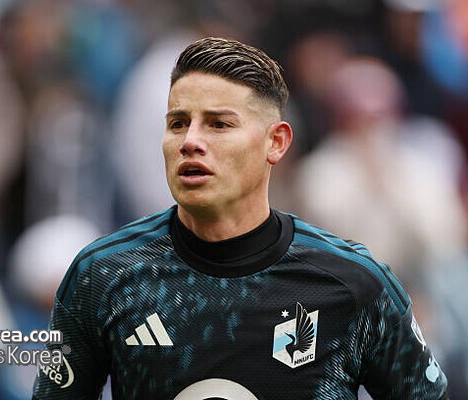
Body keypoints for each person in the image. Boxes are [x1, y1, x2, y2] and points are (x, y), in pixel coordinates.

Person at [32, 37, 448, 399]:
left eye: (218, 124)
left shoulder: (354, 283)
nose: (190, 141)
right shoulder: (103, 277)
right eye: (178, 123)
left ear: (276, 142)